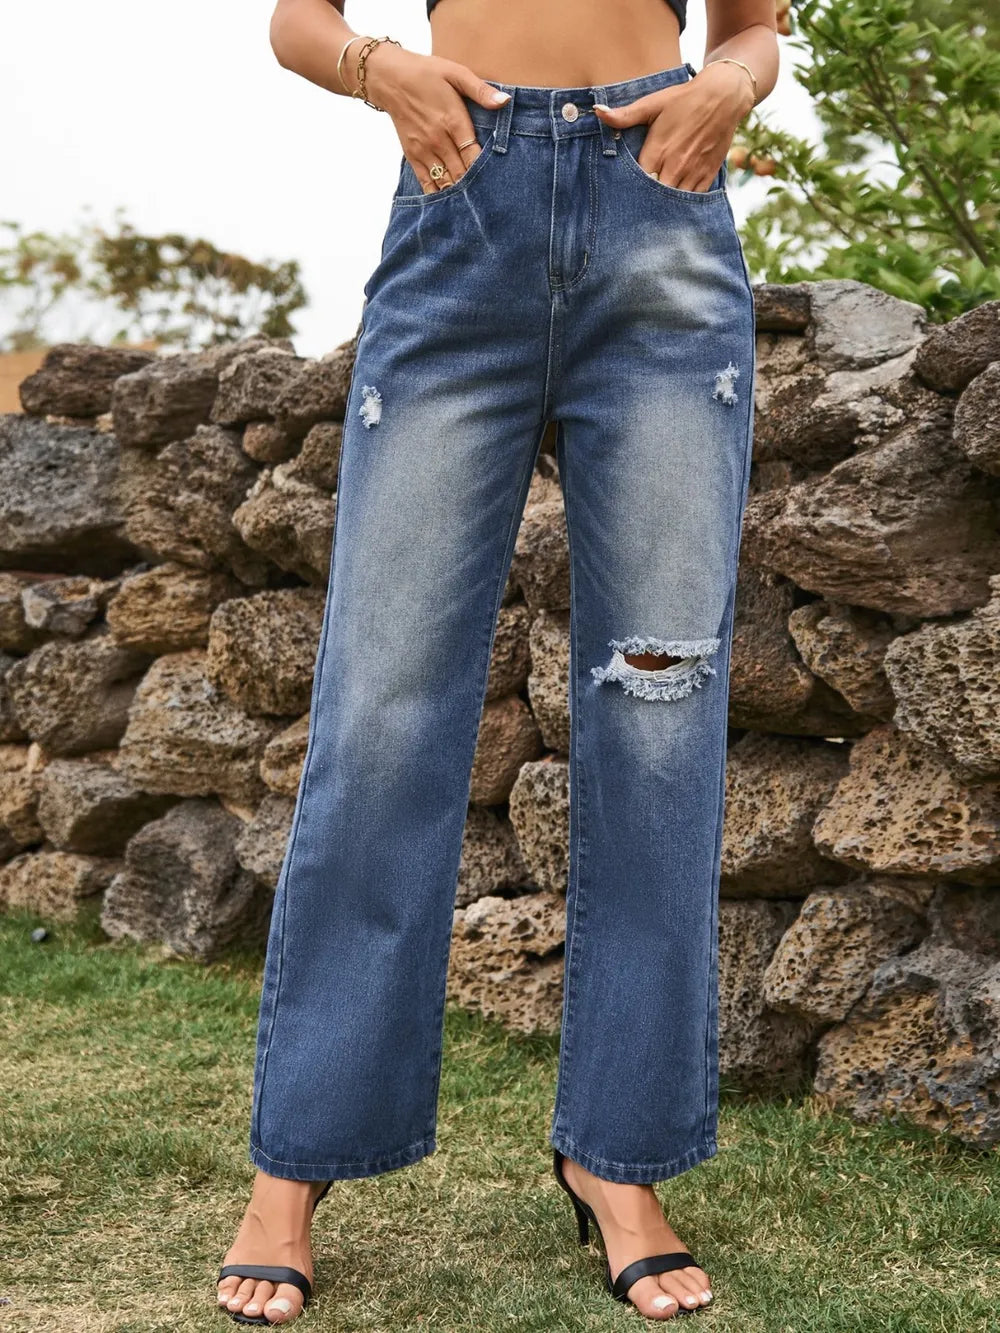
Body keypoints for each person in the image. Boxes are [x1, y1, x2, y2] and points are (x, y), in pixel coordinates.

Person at [216, 0, 779, 1324]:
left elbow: (756, 28)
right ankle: (292, 1162)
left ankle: (619, 1158)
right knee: (382, 709)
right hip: (459, 213)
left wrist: (727, 91)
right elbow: (299, 20)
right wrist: (381, 72)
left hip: (663, 227)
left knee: (659, 715)